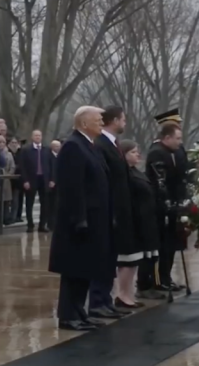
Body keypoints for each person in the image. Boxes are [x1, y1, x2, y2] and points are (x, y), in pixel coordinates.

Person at [49, 106, 113, 331]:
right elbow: (71, 187)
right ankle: (68, 315)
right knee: (74, 270)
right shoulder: (73, 147)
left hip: (94, 220)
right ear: (84, 123)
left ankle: (79, 311)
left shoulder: (89, 146)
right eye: (98, 120)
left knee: (86, 269)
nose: (102, 124)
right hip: (78, 222)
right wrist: (79, 219)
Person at [88, 105, 136, 319]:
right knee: (102, 258)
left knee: (110, 258)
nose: (124, 123)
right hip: (108, 209)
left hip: (119, 209)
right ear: (115, 120)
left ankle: (105, 300)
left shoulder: (113, 143)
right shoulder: (101, 144)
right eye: (123, 119)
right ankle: (97, 301)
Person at [144, 113, 188, 295]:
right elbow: (160, 182)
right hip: (160, 206)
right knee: (161, 244)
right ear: (167, 136)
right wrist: (168, 204)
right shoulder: (157, 152)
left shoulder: (173, 151)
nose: (180, 142)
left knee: (171, 243)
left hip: (174, 203)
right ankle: (157, 280)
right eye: (177, 138)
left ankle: (166, 277)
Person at [119, 139, 159, 308]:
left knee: (134, 262)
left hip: (144, 220)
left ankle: (129, 294)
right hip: (132, 221)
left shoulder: (136, 171)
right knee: (127, 263)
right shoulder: (124, 174)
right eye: (133, 152)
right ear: (124, 154)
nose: (138, 155)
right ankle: (122, 295)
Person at [20, 130, 52, 233]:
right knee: (29, 203)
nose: (38, 137)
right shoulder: (26, 150)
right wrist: (25, 180)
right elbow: (22, 166)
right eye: (36, 135)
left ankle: (42, 225)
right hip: (31, 179)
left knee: (45, 203)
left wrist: (52, 179)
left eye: (39, 135)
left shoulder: (47, 150)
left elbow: (52, 165)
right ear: (32, 137)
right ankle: (30, 225)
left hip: (44, 179)